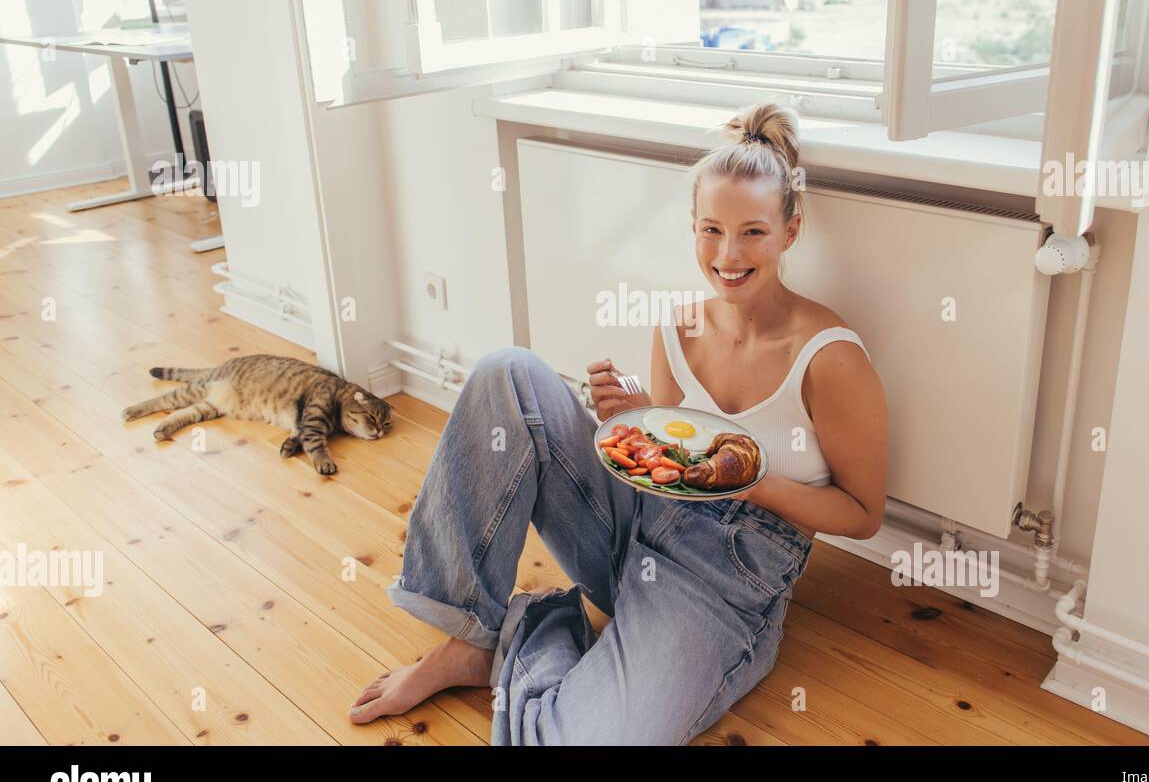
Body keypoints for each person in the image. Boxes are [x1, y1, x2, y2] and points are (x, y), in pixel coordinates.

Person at [348, 101, 888, 744]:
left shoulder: (829, 358)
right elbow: (667, 472)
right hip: (642, 531)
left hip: (729, 578)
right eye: (711, 230)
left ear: (790, 231)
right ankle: (473, 636)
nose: (728, 254)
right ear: (692, 227)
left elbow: (862, 513)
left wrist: (741, 485)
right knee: (507, 373)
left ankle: (524, 639)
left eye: (753, 232)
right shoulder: (676, 326)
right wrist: (636, 423)